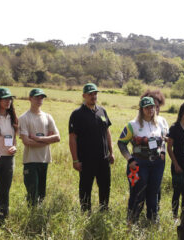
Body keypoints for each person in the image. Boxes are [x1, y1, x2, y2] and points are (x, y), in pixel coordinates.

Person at [118, 96, 169, 223]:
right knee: (138, 192)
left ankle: (152, 220)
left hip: (157, 164)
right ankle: (132, 220)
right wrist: (129, 159)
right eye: (146, 108)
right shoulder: (132, 125)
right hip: (139, 164)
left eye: (152, 107)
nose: (150, 110)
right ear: (141, 109)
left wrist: (163, 151)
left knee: (154, 192)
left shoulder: (161, 122)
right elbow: (121, 143)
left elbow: (164, 139)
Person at [69, 83, 114, 212]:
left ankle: (104, 211)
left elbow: (107, 132)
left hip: (103, 159)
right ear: (84, 96)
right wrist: (75, 160)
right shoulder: (77, 114)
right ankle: (85, 213)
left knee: (105, 187)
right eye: (90, 94)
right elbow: (72, 138)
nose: (93, 96)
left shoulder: (102, 111)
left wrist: (111, 152)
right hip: (86, 160)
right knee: (85, 188)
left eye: (95, 94)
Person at [19, 88, 60, 207]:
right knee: (32, 194)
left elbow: (57, 138)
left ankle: (38, 219)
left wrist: (38, 139)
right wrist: (48, 140)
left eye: (41, 97)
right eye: (36, 97)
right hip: (30, 161)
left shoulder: (48, 117)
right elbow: (26, 141)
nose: (39, 100)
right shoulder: (24, 118)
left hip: (44, 160)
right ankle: (30, 220)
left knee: (42, 194)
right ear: (30, 98)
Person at [0, 88, 18, 224]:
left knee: (4, 192)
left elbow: (14, 137)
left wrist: (14, 147)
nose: (8, 101)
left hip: (9, 159)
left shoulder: (12, 117)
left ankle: (2, 221)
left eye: (9, 99)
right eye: (5, 99)